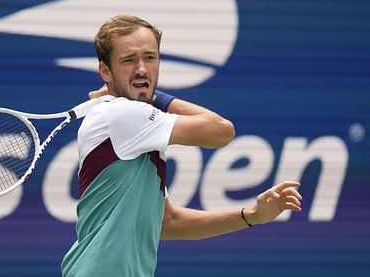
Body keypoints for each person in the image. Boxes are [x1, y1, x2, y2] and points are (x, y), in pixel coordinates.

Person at [61, 15, 302, 277]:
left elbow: (167, 222)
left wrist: (251, 215)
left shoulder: (134, 125)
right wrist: (155, 97)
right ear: (105, 71)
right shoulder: (122, 115)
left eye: (150, 58)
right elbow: (221, 131)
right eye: (129, 60)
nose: (142, 69)